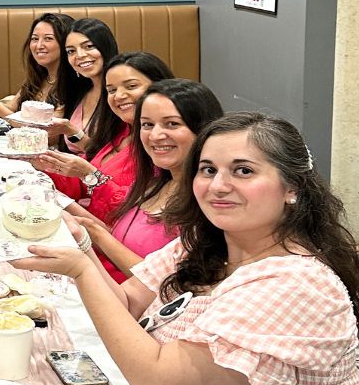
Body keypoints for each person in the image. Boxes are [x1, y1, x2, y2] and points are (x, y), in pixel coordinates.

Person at [14, 113, 359, 385]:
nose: (218, 186)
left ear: (293, 187)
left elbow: (158, 381)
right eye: (208, 169)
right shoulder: (205, 243)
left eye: (243, 171)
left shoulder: (297, 285)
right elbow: (127, 303)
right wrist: (81, 243)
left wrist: (81, 270)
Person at [77, 79, 224, 283]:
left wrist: (94, 233)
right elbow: (123, 238)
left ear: (203, 129)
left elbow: (170, 284)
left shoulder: (212, 202)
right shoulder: (155, 180)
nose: (155, 135)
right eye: (147, 124)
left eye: (172, 124)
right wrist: (69, 213)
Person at [35, 52, 175, 242]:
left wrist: (90, 175)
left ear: (160, 87)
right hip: (90, 232)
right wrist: (44, 163)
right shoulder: (120, 129)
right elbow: (79, 185)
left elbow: (132, 215)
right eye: (111, 90)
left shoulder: (161, 145)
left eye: (131, 86)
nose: (119, 96)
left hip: (115, 243)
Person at [0, 12, 77, 120]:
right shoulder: (37, 78)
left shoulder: (71, 84)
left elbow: (51, 135)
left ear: (67, 43)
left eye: (48, 39)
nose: (39, 45)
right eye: (35, 39)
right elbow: (11, 109)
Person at [60, 18, 120, 154]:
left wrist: (70, 131)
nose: (79, 55)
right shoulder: (79, 92)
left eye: (89, 46)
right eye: (71, 51)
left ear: (105, 47)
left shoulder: (120, 96)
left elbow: (114, 158)